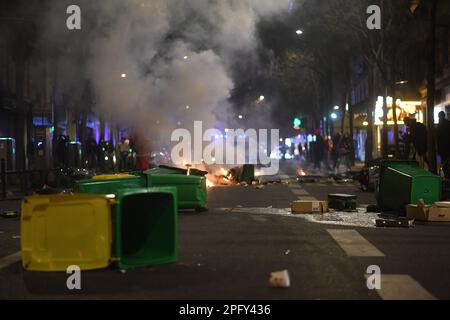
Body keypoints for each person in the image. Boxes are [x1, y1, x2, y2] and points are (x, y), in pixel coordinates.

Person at [437, 111, 450, 179]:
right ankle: (447, 175)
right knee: (446, 161)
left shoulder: (440, 125)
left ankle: (447, 176)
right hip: (447, 145)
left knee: (444, 161)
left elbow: (438, 135)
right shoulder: (448, 123)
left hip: (442, 146)